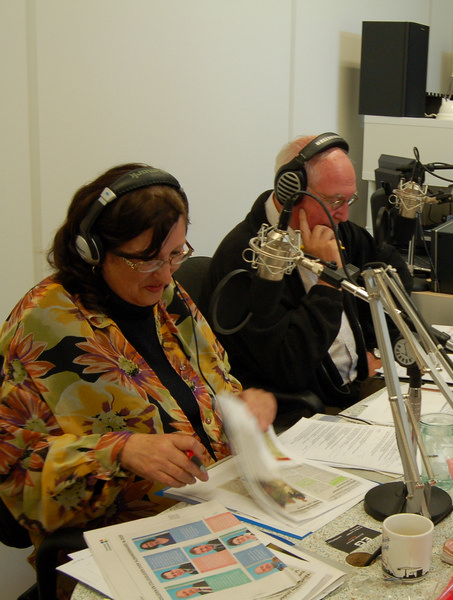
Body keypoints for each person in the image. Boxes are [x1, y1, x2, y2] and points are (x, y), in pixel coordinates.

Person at [0, 164, 276, 581]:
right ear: (93, 251)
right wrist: (121, 452)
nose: (164, 275)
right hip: (122, 547)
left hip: (219, 512)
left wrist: (242, 405)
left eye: (175, 255)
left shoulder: (168, 297)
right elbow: (16, 475)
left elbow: (210, 386)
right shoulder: (42, 324)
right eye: (145, 261)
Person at [202, 133, 412, 416]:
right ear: (290, 191)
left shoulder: (335, 230)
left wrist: (375, 347)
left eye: (349, 199)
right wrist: (328, 281)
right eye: (335, 201)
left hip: (358, 386)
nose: (344, 215)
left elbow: (393, 274)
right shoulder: (247, 257)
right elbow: (288, 367)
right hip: (308, 411)